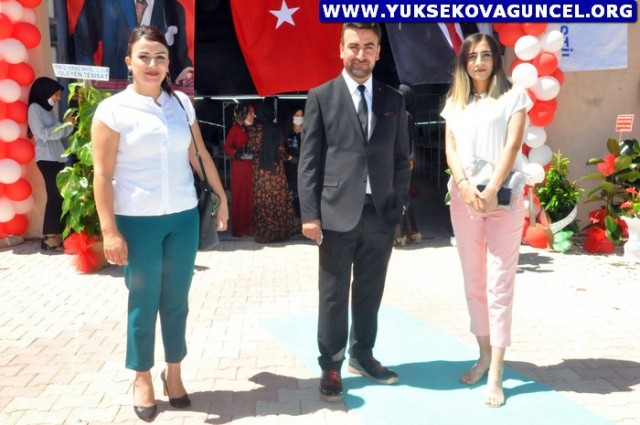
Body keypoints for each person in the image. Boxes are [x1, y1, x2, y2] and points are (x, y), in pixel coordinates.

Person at [92, 25, 228, 422]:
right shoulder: (113, 111)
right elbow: (103, 174)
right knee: (143, 300)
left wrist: (220, 199)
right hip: (136, 221)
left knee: (176, 300)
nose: (152, 64)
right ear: (128, 62)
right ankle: (142, 377)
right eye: (144, 57)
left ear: (169, 64)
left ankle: (175, 371)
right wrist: (109, 231)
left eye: (160, 57)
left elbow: (198, 154)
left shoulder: (181, 105)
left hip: (183, 217)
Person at [298, 22, 411, 402]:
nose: (360, 54)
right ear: (341, 50)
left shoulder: (394, 99)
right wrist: (310, 214)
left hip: (380, 213)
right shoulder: (321, 97)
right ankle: (331, 364)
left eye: (368, 46)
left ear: (378, 52)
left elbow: (401, 158)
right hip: (335, 214)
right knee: (333, 294)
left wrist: (398, 205)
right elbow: (309, 162)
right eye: (353, 46)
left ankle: (362, 355)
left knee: (370, 289)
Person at [441, 32, 531, 407]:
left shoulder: (514, 97)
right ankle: (482, 354)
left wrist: (492, 188)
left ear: (496, 59)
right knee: (474, 282)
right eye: (471, 56)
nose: (478, 62)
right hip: (464, 201)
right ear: (464, 63)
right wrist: (463, 185)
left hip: (503, 200)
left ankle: (496, 371)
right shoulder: (455, 102)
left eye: (485, 55)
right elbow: (450, 147)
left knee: (499, 284)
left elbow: (512, 145)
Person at [72, 0, 194, 86]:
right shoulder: (102, 2)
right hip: (115, 91)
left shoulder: (174, 8)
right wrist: (86, 73)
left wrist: (185, 73)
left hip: (156, 96)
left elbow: (179, 57)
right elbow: (83, 39)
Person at [27, 77, 76, 252]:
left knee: (58, 196)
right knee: (54, 195)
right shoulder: (34, 108)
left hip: (57, 158)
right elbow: (43, 134)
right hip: (46, 159)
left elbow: (60, 133)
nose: (58, 98)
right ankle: (49, 238)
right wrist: (64, 125)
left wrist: (69, 124)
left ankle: (57, 236)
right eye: (56, 94)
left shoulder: (48, 110)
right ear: (45, 92)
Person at [248, 100, 295, 243]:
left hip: (260, 173)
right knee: (278, 201)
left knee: (263, 202)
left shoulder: (253, 130)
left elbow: (253, 149)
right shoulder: (277, 129)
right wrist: (289, 157)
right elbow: (281, 151)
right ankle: (279, 233)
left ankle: (264, 234)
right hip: (275, 172)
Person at [394, 84, 422, 246]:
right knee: (404, 196)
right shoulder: (407, 115)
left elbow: (405, 141)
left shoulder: (402, 115)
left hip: (398, 161)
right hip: (404, 161)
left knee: (397, 196)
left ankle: (399, 235)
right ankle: (412, 232)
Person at [223, 103, 255, 237]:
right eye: (250, 113)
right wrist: (236, 153)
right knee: (239, 196)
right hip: (239, 168)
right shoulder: (235, 129)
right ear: (243, 114)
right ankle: (239, 229)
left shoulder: (251, 129)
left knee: (250, 197)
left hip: (250, 167)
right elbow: (226, 147)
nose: (253, 116)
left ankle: (250, 228)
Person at [284, 107, 304, 225]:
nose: (299, 117)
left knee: (302, 195)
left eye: (301, 115)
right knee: (291, 194)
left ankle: (302, 221)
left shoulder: (306, 132)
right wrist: (289, 158)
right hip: (290, 169)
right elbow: (282, 150)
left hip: (303, 169)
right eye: (297, 115)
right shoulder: (287, 133)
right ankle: (293, 221)